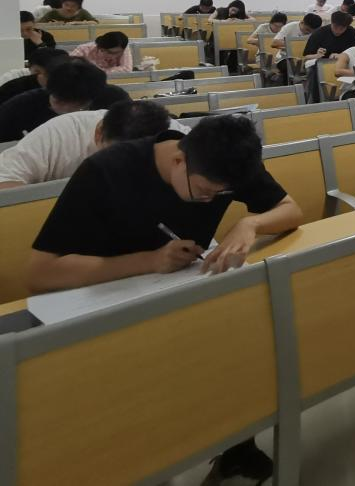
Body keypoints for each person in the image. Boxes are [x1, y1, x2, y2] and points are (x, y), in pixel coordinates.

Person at [27, 113, 302, 484]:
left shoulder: (227, 162)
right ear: (178, 160)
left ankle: (235, 445)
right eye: (204, 191)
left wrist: (249, 223)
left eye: (221, 194)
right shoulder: (106, 171)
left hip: (178, 292)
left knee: (247, 340)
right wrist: (149, 261)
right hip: (105, 302)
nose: (210, 200)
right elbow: (41, 272)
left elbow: (290, 209)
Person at [0, 99, 179, 188]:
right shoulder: (60, 133)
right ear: (99, 132)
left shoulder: (171, 133)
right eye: (117, 155)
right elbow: (5, 181)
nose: (124, 166)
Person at [0, 59, 127, 142]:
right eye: (57, 102)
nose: (65, 110)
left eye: (79, 106)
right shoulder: (23, 104)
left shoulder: (114, 99)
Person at [301, 11, 355, 100]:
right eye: (335, 27)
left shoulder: (351, 32)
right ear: (331, 23)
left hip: (344, 65)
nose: (338, 31)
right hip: (321, 65)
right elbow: (306, 57)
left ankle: (349, 97)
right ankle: (316, 100)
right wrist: (316, 55)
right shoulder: (319, 33)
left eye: (342, 28)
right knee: (315, 70)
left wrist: (341, 55)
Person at [0, 48, 70, 107]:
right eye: (38, 72)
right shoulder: (12, 77)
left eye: (48, 74)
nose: (41, 77)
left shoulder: (66, 80)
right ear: (29, 66)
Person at [271, 13, 322, 82]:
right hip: (286, 58)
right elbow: (274, 43)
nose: (308, 32)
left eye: (311, 31)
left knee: (319, 67)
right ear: (302, 22)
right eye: (307, 29)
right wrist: (294, 44)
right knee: (289, 67)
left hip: (306, 58)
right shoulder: (290, 27)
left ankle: (310, 87)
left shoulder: (317, 32)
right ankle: (289, 86)